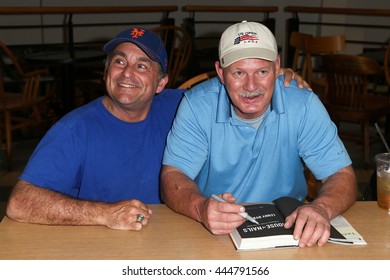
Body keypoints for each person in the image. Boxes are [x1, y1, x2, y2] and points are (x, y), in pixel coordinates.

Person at [6, 26, 309, 231]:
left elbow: (236, 83)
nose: (127, 73)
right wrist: (103, 214)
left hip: (177, 237)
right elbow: (19, 203)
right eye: (119, 61)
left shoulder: (181, 106)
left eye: (142, 66)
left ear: (161, 83)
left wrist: (277, 75)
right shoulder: (74, 129)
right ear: (106, 72)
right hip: (105, 245)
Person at [160, 21, 358, 247]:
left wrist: (321, 207)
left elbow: (342, 175)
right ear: (220, 73)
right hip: (212, 229)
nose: (251, 86)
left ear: (277, 67)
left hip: (290, 226)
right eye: (239, 72)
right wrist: (200, 208)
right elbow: (173, 175)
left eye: (262, 71)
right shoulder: (196, 105)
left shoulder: (303, 104)